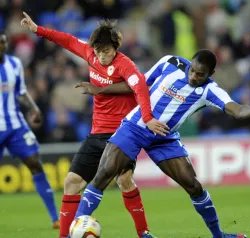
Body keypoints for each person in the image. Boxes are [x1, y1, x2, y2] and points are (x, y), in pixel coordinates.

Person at [74, 50, 250, 238]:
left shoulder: (210, 90)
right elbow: (139, 84)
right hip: (135, 128)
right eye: (192, 70)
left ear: (210, 74)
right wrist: (102, 89)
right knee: (104, 174)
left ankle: (218, 235)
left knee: (193, 185)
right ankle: (76, 229)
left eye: (200, 75)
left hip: (164, 138)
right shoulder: (170, 63)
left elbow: (236, 110)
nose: (193, 76)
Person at [21, 12, 168, 238]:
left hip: (123, 133)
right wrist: (38, 29)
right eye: (99, 51)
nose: (102, 56)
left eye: (106, 51)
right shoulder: (91, 54)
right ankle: (64, 236)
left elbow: (140, 88)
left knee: (124, 179)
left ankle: (144, 233)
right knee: (71, 181)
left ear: (116, 47)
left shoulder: (125, 65)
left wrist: (147, 118)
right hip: (97, 133)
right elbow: (68, 40)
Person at [0, 31, 59, 229]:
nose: (2, 46)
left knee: (35, 162)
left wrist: (34, 108)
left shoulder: (14, 64)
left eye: (3, 42)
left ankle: (55, 218)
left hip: (15, 125)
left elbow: (21, 92)